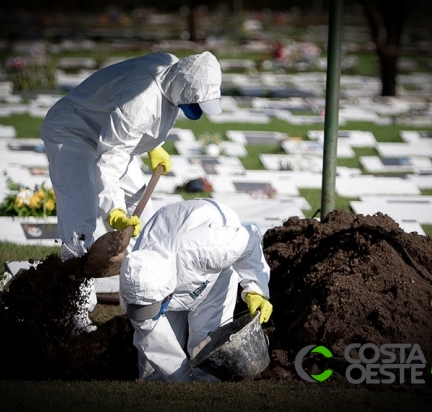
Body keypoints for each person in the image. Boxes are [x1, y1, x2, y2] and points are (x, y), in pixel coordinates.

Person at [39, 51, 223, 332]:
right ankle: (73, 312)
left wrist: (153, 145)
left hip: (108, 136)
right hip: (73, 133)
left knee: (146, 217)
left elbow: (133, 125)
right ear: (183, 88)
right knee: (80, 222)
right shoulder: (142, 99)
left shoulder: (171, 69)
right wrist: (113, 209)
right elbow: (110, 157)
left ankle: (142, 300)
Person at [119, 199, 273, 382]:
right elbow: (153, 338)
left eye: (155, 304)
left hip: (212, 265)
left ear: (167, 291)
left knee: (206, 332)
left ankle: (209, 384)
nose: (150, 313)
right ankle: (155, 385)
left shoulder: (212, 248)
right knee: (156, 354)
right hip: (169, 239)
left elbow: (249, 240)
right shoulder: (135, 278)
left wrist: (255, 289)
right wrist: (181, 381)